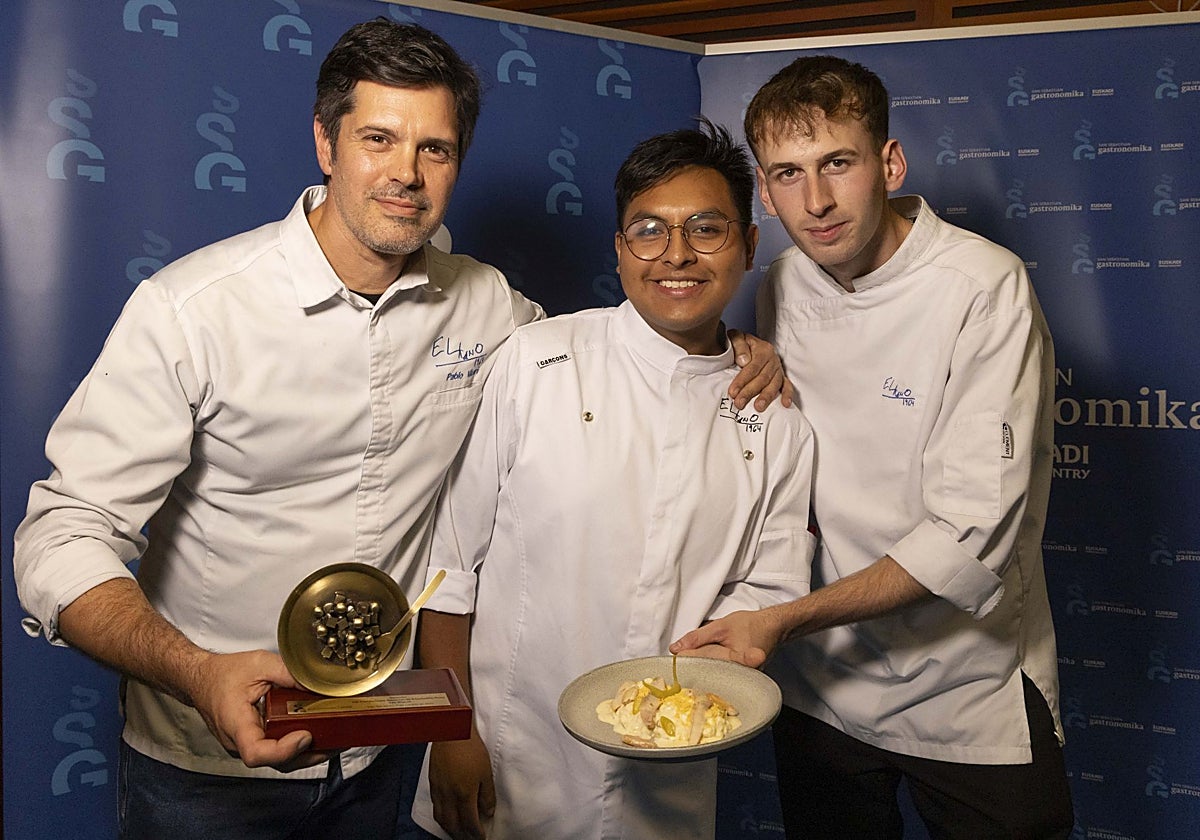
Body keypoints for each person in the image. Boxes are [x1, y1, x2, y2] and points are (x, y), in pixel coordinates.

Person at [12, 19, 785, 840]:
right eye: (378, 138)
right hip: (210, 767)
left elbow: (618, 357)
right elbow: (60, 536)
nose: (406, 175)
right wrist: (197, 673)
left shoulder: (488, 305)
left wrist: (725, 349)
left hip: (384, 748)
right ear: (325, 141)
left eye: (436, 149)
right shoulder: (193, 310)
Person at [671, 56, 1075, 838]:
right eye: (788, 174)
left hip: (967, 685)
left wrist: (784, 621)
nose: (815, 202)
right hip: (824, 687)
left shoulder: (983, 286)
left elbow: (966, 536)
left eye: (838, 165)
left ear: (889, 163)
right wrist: (750, 350)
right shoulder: (783, 280)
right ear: (763, 189)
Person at [408, 119, 817, 840]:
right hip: (504, 757)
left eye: (707, 229)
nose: (678, 256)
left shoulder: (776, 419)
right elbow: (450, 564)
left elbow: (771, 586)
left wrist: (738, 643)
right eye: (649, 231)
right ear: (621, 249)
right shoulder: (535, 361)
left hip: (668, 780)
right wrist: (451, 730)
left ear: (750, 245)